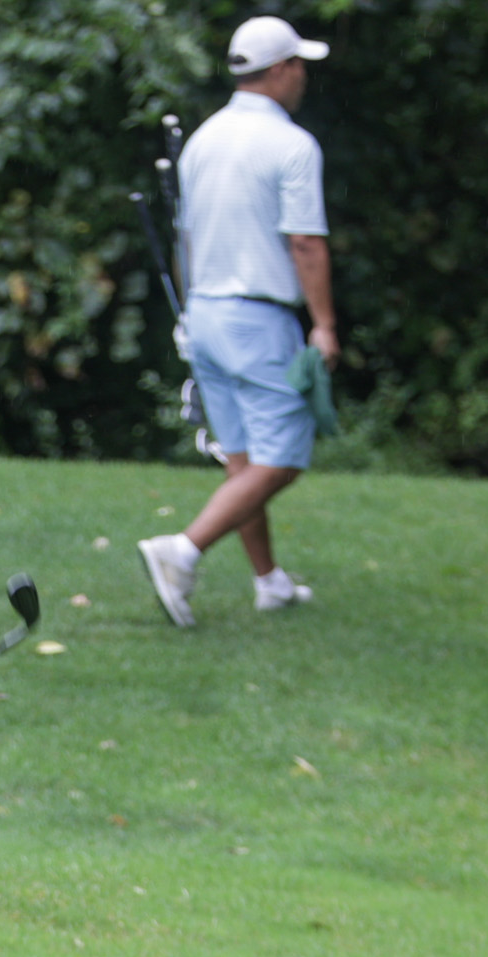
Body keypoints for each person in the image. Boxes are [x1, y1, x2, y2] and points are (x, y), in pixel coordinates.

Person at [138, 15, 338, 628]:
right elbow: (305, 242)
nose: (303, 77)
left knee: (243, 460)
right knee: (284, 458)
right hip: (258, 319)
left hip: (204, 315)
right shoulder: (292, 144)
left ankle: (269, 581)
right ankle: (182, 551)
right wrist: (325, 324)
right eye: (299, 65)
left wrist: (191, 310)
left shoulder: (203, 140)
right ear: (280, 69)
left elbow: (186, 237)